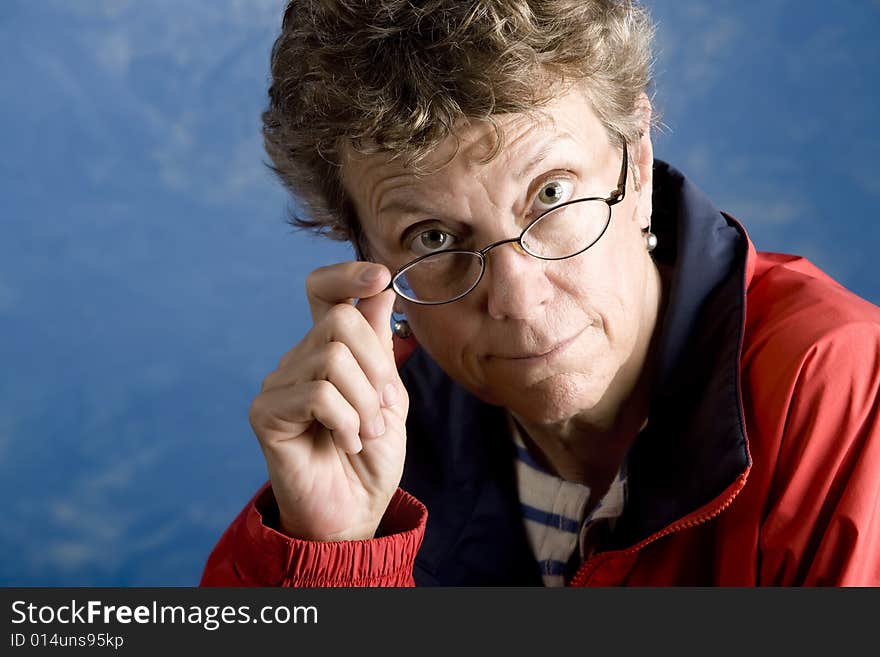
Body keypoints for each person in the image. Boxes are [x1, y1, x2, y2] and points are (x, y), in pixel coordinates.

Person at [200, 0, 880, 586]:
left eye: (550, 194)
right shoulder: (364, 440)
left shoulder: (836, 386)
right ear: (368, 262)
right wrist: (332, 555)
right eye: (432, 237)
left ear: (636, 161)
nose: (517, 298)